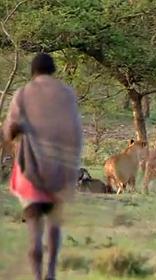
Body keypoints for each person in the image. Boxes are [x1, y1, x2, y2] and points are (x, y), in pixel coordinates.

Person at [3, 53, 83, 280]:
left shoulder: (23, 93)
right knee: (54, 223)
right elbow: (75, 130)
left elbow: (10, 131)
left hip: (31, 170)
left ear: (33, 71)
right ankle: (51, 272)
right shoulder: (67, 94)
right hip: (61, 169)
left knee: (34, 226)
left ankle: (37, 274)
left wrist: (18, 130)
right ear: (53, 70)